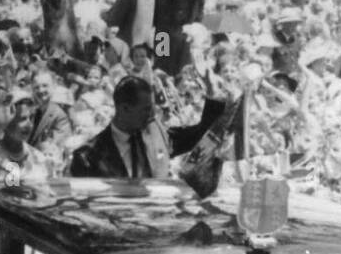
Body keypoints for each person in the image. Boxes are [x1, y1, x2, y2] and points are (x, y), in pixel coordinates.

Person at [69, 76, 226, 183]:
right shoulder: (87, 158)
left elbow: (199, 135)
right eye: (146, 109)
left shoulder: (155, 133)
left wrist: (214, 96)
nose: (153, 115)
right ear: (124, 108)